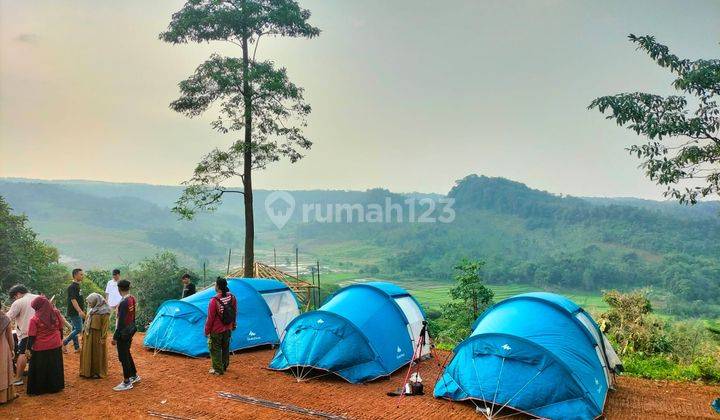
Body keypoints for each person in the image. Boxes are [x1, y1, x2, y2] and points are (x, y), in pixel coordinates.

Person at [26, 296, 65, 396]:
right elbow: (60, 328)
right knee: (54, 365)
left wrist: (28, 349)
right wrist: (60, 340)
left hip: (40, 347)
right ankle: (55, 386)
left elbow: (32, 336)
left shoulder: (34, 319)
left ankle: (40, 389)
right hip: (55, 344)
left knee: (40, 367)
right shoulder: (55, 313)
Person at [6, 284, 38, 386]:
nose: (15, 299)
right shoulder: (38, 298)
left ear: (18, 294)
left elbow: (7, 318)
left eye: (14, 297)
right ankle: (37, 375)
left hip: (27, 333)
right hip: (42, 332)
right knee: (37, 353)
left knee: (23, 353)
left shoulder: (19, 302)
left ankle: (18, 378)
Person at [204, 277, 237, 375]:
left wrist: (207, 331)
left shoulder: (214, 301)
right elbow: (234, 312)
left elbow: (210, 318)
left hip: (216, 330)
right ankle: (224, 365)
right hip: (228, 328)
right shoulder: (232, 297)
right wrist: (233, 324)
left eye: (215, 284)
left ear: (218, 287)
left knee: (215, 349)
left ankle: (218, 369)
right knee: (225, 347)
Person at [112, 280, 139, 391]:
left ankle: (127, 381)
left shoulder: (123, 302)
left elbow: (121, 321)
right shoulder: (131, 298)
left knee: (123, 356)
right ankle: (134, 375)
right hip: (130, 329)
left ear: (119, 289)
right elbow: (132, 316)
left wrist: (115, 336)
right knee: (127, 353)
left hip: (123, 332)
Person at [79, 293, 110, 379]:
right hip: (88, 335)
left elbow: (105, 326)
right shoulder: (92, 310)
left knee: (97, 353)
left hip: (97, 336)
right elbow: (87, 322)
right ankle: (86, 371)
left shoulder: (105, 311)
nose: (89, 304)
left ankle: (97, 372)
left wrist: (103, 337)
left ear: (96, 301)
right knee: (87, 353)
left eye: (90, 302)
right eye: (88, 303)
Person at [63, 268, 86, 353]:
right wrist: (79, 311)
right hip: (74, 311)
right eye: (81, 274)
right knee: (79, 329)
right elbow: (73, 300)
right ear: (75, 275)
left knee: (74, 329)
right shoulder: (72, 287)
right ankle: (64, 342)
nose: (82, 276)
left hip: (76, 311)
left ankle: (76, 347)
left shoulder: (77, 286)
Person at [0, 309, 18, 404]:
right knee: (3, 371)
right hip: (2, 349)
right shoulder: (4, 318)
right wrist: (12, 349)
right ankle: (4, 397)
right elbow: (10, 337)